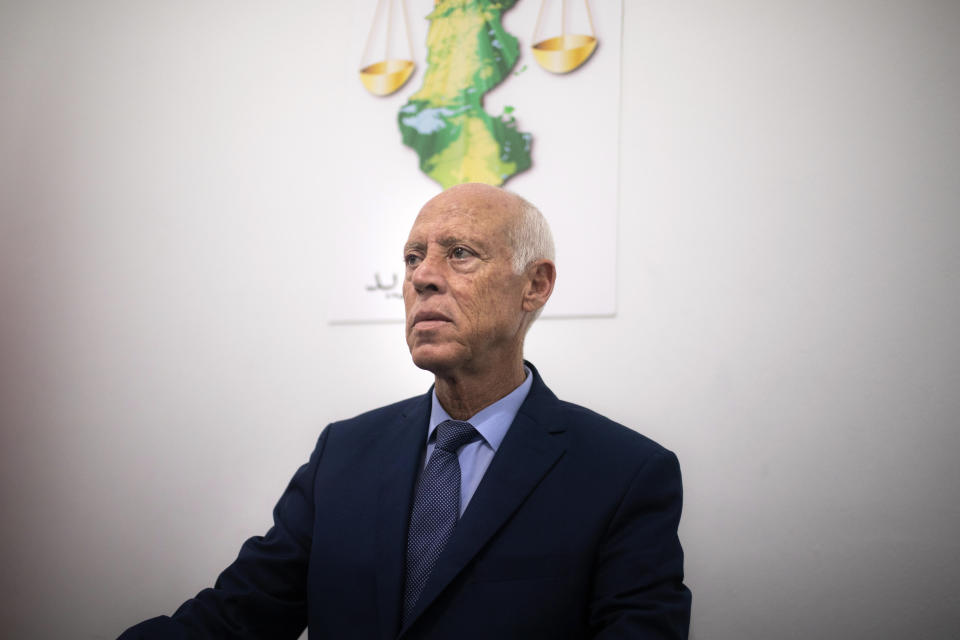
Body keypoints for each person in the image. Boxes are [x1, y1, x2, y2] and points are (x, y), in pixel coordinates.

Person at [120, 183, 692, 639]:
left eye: (460, 254)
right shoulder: (342, 453)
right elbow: (238, 617)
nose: (422, 276)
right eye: (413, 257)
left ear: (535, 286)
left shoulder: (625, 474)